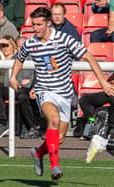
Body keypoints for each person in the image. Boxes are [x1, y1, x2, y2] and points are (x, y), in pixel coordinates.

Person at [9, 7, 114, 184]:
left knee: (60, 139)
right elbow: (19, 58)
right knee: (54, 120)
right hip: (44, 91)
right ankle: (55, 166)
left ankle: (38, 152)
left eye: (39, 25)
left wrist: (103, 81)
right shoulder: (30, 43)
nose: (35, 28)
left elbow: (88, 56)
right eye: (33, 25)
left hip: (64, 92)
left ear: (48, 23)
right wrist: (13, 77)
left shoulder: (64, 39)